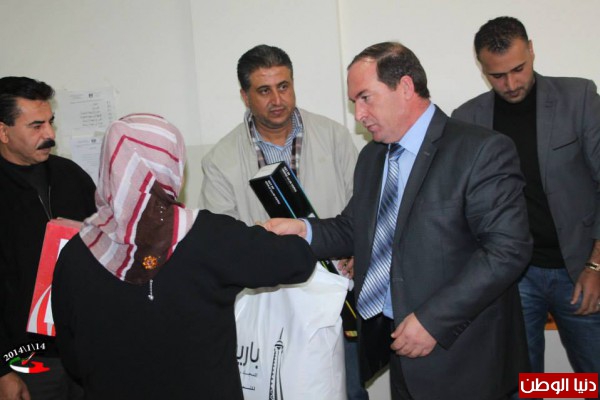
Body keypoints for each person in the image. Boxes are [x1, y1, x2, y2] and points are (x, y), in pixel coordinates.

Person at [264, 41, 532, 400]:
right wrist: (303, 229)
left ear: (405, 87)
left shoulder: (480, 150)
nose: (359, 115)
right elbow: (355, 228)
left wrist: (433, 321)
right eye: (354, 102)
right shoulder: (372, 158)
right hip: (399, 351)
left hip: (464, 356)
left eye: (365, 98)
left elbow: (507, 251)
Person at [51, 113, 316, 400]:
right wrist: (281, 230)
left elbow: (72, 358)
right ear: (169, 168)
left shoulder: (75, 253)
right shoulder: (209, 236)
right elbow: (298, 261)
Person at [199, 44, 367, 399]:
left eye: (284, 86)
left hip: (335, 300)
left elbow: (363, 209)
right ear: (245, 96)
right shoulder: (220, 160)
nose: (277, 100)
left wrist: (358, 250)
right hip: (267, 303)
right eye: (264, 90)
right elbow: (221, 243)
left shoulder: (335, 137)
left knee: (347, 390)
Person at [452, 16, 600, 380]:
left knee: (592, 380)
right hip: (512, 277)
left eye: (518, 69)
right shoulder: (467, 119)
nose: (511, 83)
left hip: (580, 267)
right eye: (497, 76)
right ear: (481, 68)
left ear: (531, 50)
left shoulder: (579, 98)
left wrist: (596, 266)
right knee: (524, 384)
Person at [0, 76, 96, 400]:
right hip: (24, 358)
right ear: (3, 132)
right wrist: (2, 371)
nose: (50, 134)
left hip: (84, 347)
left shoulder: (70, 175)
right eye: (36, 126)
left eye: (51, 122)